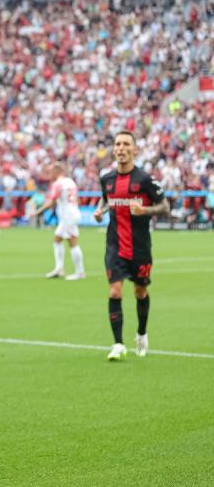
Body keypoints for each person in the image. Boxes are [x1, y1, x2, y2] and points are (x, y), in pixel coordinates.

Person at [93, 131, 169, 361]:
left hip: (139, 247)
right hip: (114, 244)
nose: (121, 148)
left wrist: (145, 210)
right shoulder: (107, 179)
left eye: (126, 144)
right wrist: (100, 211)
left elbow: (164, 206)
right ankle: (118, 344)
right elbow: (106, 199)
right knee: (115, 290)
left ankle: (142, 333)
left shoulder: (145, 180)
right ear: (113, 149)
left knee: (140, 291)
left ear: (134, 150)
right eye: (117, 144)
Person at [36, 163, 85, 279]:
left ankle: (80, 272)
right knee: (57, 240)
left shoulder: (58, 184)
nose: (49, 175)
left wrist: (38, 211)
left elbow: (51, 201)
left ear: (57, 171)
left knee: (73, 243)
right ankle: (59, 269)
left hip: (68, 216)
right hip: (71, 213)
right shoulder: (70, 182)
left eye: (50, 172)